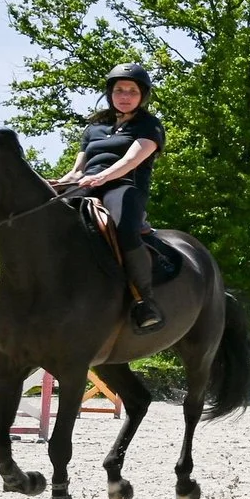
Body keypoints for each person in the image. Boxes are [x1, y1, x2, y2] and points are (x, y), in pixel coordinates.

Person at [55, 62, 167, 333]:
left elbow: (131, 160)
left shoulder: (149, 126)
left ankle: (144, 300)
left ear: (142, 95)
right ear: (110, 93)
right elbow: (77, 171)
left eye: (132, 91)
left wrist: (103, 177)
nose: (125, 96)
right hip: (86, 186)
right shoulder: (95, 128)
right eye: (119, 90)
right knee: (41, 219)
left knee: (125, 230)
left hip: (124, 187)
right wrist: (57, 183)